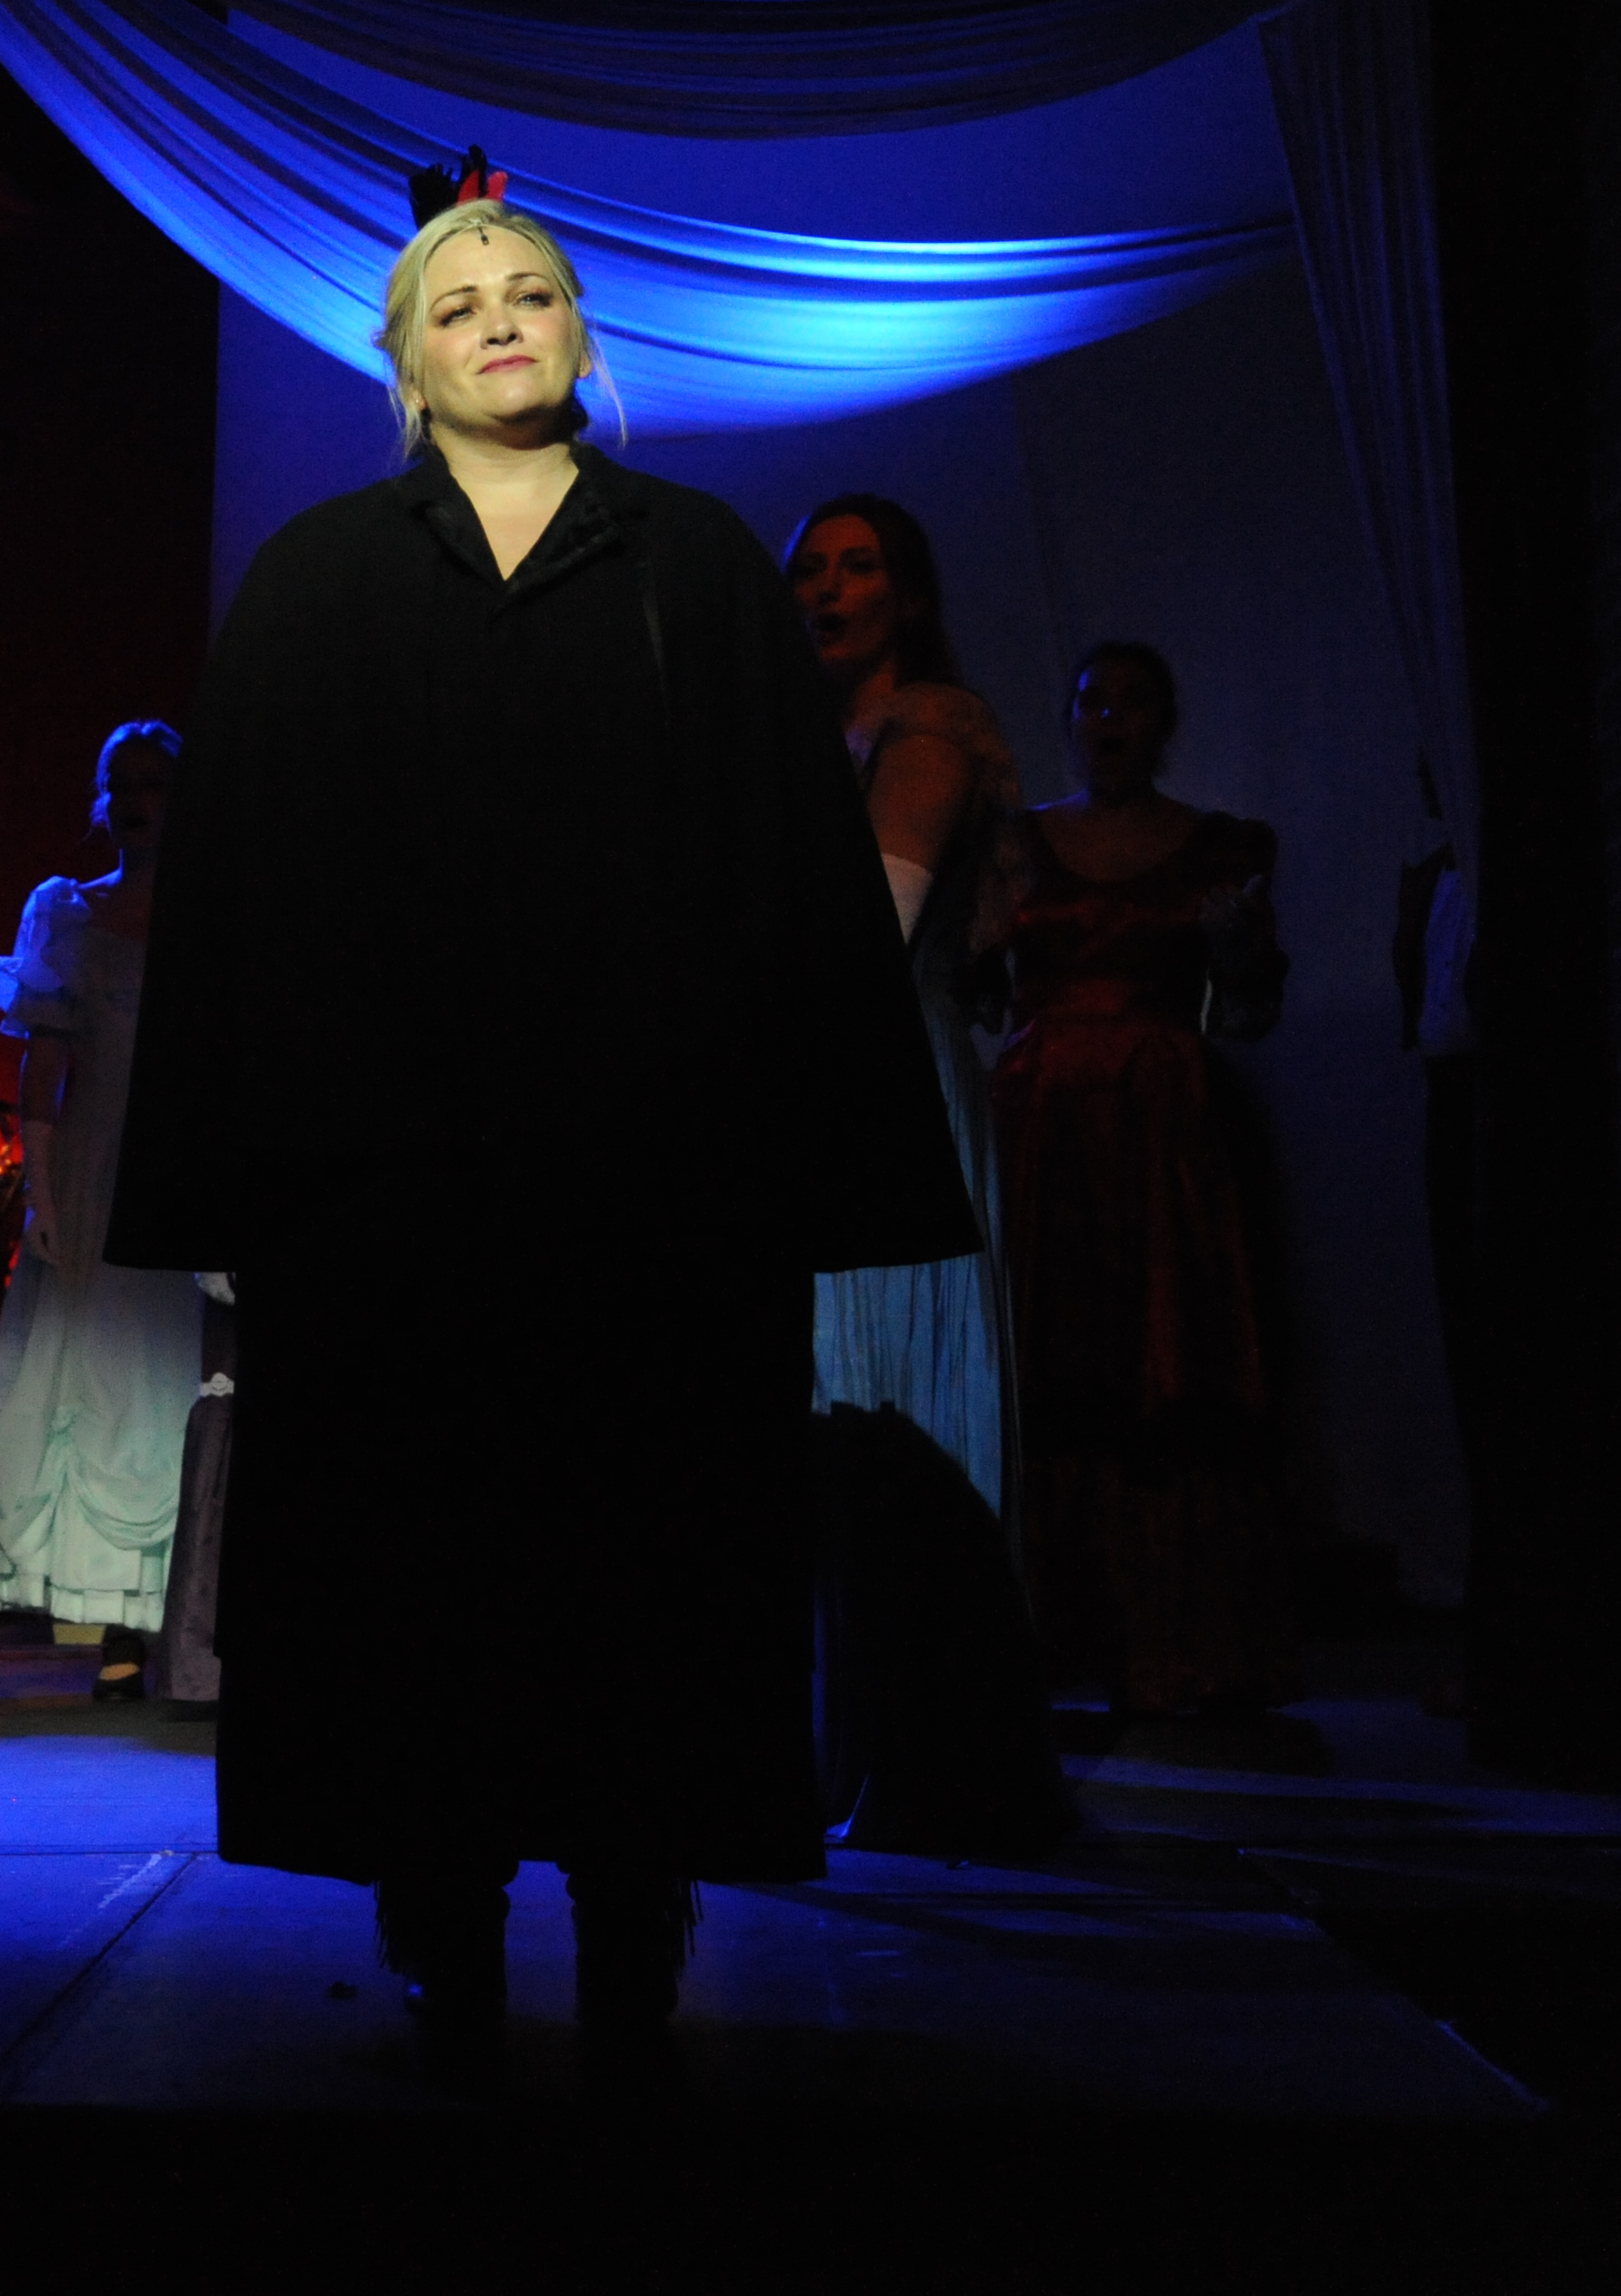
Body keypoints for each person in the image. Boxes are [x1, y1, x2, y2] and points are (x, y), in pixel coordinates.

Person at [108, 195, 975, 2092]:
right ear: (404, 361)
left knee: (643, 1552)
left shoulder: (698, 565)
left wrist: (803, 1167)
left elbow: (792, 885)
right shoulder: (316, 580)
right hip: (392, 1201)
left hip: (647, 1194)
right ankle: (440, 1897)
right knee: (419, 1556)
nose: (499, 321)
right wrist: (240, 1182)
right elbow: (242, 903)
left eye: (532, 294)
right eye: (459, 303)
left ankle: (633, 1896)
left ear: (583, 331)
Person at [990, 641, 1296, 1714]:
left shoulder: (1217, 848)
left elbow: (1247, 1015)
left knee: (1162, 1358)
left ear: (1163, 721)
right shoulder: (1019, 843)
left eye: (1129, 703)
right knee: (1049, 1356)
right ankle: (1046, 1626)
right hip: (1041, 1128)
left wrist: (1238, 951)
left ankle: (1170, 1637)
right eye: (1090, 702)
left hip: (1158, 1133)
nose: (1106, 720)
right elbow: (981, 983)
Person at [786, 495, 1024, 1512]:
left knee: (877, 1380)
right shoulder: (800, 742)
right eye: (809, 569)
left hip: (887, 1072)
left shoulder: (928, 728)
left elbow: (873, 932)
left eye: (858, 565)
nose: (828, 588)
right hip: (808, 1059)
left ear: (910, 597)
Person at [0, 722, 203, 1700]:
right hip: (103, 1169)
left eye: (158, 783)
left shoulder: (219, 906)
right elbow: (45, 1064)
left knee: (185, 1382)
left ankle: (194, 1617)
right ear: (104, 800)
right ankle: (118, 1624)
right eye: (125, 783)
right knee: (107, 1386)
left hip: (190, 1164)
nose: (140, 800)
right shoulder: (68, 914)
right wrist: (44, 1186)